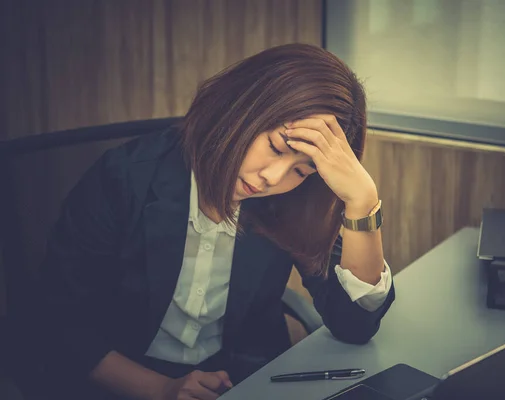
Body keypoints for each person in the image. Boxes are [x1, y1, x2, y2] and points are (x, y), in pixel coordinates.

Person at [37, 43, 395, 400]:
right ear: (240, 109)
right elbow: (63, 323)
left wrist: (363, 202)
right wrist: (161, 389)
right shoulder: (123, 178)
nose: (274, 177)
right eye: (275, 147)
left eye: (301, 170)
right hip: (128, 380)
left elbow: (354, 324)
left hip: (243, 382)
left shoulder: (290, 199)